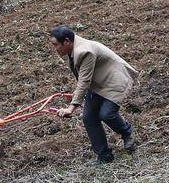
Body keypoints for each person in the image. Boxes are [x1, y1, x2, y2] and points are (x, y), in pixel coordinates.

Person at [50, 25, 138, 163]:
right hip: (97, 84)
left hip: (114, 81)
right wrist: (75, 95)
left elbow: (84, 80)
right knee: (89, 118)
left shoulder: (85, 51)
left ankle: (127, 133)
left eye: (56, 45)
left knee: (107, 114)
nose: (55, 49)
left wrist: (71, 107)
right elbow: (84, 78)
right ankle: (104, 155)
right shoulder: (71, 49)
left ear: (66, 41)